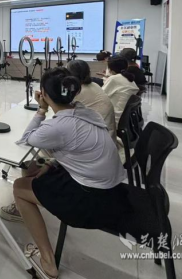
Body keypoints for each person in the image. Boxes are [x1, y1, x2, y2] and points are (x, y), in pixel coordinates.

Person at [13, 68, 129, 278]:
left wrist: (41, 109)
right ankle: (32, 207)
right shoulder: (85, 111)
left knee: (19, 188)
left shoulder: (59, 126)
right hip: (113, 189)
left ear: (44, 94)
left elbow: (27, 138)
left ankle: (48, 260)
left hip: (93, 200)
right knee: (33, 166)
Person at [67, 60, 117, 141]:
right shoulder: (94, 85)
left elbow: (59, 113)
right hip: (106, 136)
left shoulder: (78, 92)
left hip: (97, 140)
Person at [102, 56, 140, 125]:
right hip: (124, 120)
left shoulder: (114, 79)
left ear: (110, 70)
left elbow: (100, 97)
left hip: (112, 120)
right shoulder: (130, 80)